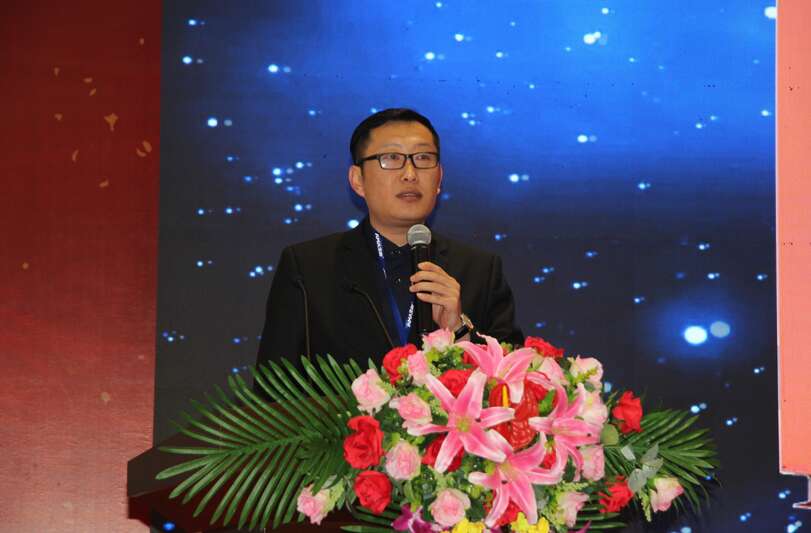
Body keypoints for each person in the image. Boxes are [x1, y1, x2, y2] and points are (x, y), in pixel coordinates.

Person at [256, 108, 523, 370]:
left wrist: (459, 329)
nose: (410, 174)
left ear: (439, 178)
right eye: (392, 158)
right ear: (357, 179)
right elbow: (274, 385)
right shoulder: (308, 267)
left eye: (423, 158)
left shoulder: (480, 270)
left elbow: (514, 381)